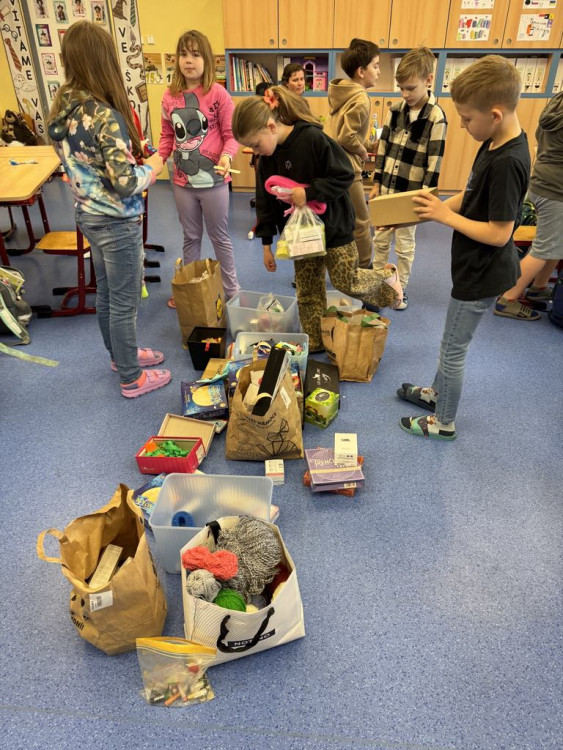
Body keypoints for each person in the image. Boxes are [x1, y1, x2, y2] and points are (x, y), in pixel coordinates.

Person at [397, 55, 530, 440]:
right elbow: (470, 194)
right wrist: (434, 208)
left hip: (482, 273)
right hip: (473, 266)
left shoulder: (508, 162)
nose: (462, 124)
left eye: (467, 118)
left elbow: (500, 234)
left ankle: (444, 422)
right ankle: (436, 395)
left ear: (495, 114)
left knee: (453, 349)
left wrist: (444, 217)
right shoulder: (493, 140)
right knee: (450, 340)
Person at [48, 20, 171, 398]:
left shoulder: (63, 107)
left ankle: (121, 356)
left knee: (106, 293)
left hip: (88, 214)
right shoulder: (102, 114)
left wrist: (131, 154)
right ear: (104, 60)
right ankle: (131, 377)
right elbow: (126, 182)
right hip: (117, 221)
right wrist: (153, 167)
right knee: (124, 301)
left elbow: (88, 163)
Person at [231, 85, 402, 352]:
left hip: (334, 226)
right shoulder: (266, 160)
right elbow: (265, 201)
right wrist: (266, 244)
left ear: (271, 127)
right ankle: (316, 341)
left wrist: (309, 192)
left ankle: (387, 278)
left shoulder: (312, 138)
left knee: (346, 280)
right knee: (308, 290)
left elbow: (344, 175)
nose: (256, 151)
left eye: (255, 144)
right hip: (301, 236)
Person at [159, 30, 240, 307]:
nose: (188, 60)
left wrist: (227, 157)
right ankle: (188, 290)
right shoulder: (169, 97)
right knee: (191, 237)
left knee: (220, 237)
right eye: (183, 54)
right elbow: (167, 136)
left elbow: (231, 135)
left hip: (214, 182)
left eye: (195, 54)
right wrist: (156, 162)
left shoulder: (218, 94)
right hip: (183, 182)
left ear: (207, 59)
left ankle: (232, 290)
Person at [370, 47, 447, 309]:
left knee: (404, 245)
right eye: (401, 88)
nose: (405, 94)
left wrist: (425, 197)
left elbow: (434, 162)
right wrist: (377, 181)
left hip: (410, 195)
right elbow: (383, 147)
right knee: (380, 240)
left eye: (410, 88)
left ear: (428, 80)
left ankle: (399, 289)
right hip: (386, 189)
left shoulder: (436, 117)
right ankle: (377, 284)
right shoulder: (395, 111)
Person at [494, 91, 563, 320]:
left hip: (542, 181)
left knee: (556, 242)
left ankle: (538, 287)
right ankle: (508, 299)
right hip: (557, 190)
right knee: (544, 248)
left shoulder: (558, 101)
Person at [328, 38, 380, 269]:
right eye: (376, 66)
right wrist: (362, 152)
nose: (378, 71)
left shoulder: (342, 93)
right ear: (361, 71)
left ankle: (338, 265)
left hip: (333, 164)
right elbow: (346, 137)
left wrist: (366, 144)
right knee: (361, 221)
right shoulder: (361, 98)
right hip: (349, 168)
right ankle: (365, 267)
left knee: (338, 219)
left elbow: (345, 132)